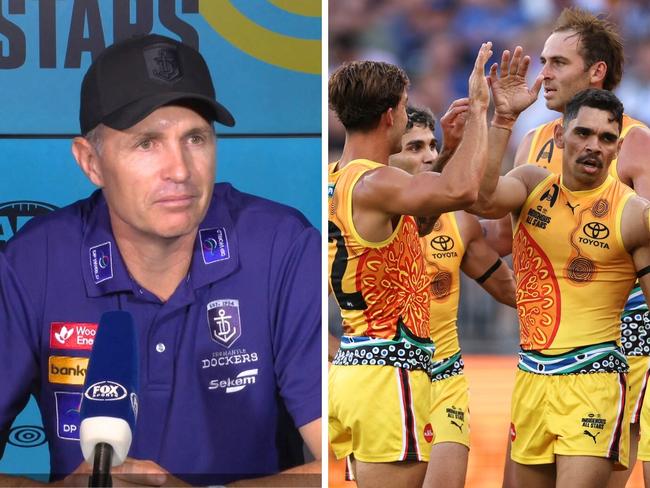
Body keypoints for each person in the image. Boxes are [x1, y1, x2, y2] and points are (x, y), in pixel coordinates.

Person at [0, 34, 321, 487]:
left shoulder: (281, 245)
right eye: (146, 143)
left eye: (195, 138)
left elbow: (341, 465)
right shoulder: (32, 262)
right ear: (90, 161)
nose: (180, 170)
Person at [481, 9, 650, 486]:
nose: (544, 74)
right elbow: (498, 236)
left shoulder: (636, 143)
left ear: (596, 71)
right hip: (541, 356)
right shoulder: (532, 142)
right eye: (543, 61)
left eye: (557, 62)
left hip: (626, 349)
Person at [327, 43, 494, 487]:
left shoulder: (333, 178)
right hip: (390, 369)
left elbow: (416, 222)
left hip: (357, 366)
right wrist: (480, 109)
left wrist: (449, 148)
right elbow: (460, 193)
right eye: (403, 106)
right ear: (390, 114)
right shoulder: (377, 181)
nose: (406, 115)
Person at [388, 105, 517, 488]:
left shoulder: (458, 221)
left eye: (431, 145)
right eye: (414, 147)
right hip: (384, 380)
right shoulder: (361, 212)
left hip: (445, 377)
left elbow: (513, 291)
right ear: (387, 156)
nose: (427, 155)